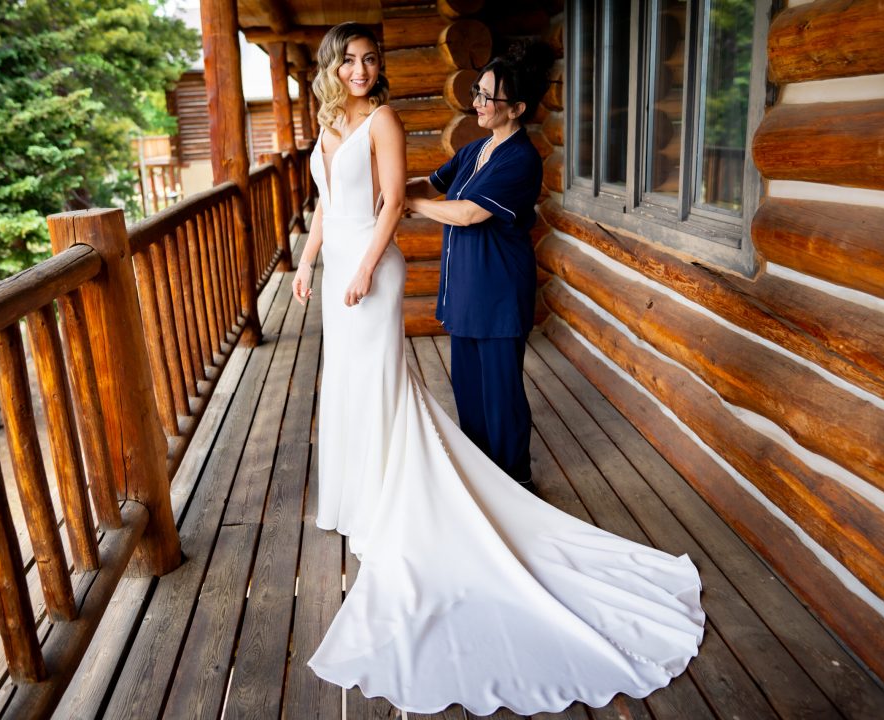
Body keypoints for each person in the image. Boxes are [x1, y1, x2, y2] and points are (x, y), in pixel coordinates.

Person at [294, 23, 705, 716]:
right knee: (404, 385)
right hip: (352, 267)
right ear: (333, 68)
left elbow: (418, 202)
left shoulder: (496, 154)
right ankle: (368, 488)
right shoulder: (472, 145)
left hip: (397, 273)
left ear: (514, 106)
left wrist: (376, 236)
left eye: (372, 59)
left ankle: (502, 481)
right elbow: (349, 201)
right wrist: (310, 261)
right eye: (351, 59)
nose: (362, 69)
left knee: (477, 389)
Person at [404, 43, 548, 489]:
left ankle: (515, 484)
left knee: (501, 397)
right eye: (478, 92)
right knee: (469, 394)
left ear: (517, 108)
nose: (479, 103)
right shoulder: (475, 150)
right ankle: (484, 482)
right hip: (466, 291)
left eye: (489, 97)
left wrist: (411, 206)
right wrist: (388, 185)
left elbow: (468, 212)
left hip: (499, 291)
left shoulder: (521, 159)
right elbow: (430, 183)